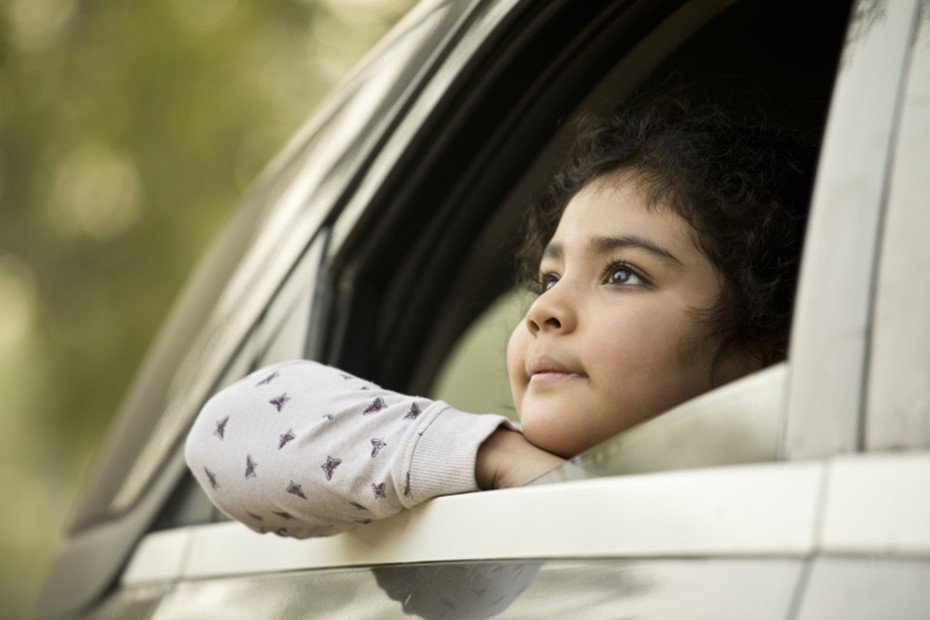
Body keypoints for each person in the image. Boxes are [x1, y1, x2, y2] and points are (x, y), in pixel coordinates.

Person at [185, 92, 813, 539]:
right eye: (549, 277)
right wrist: (494, 456)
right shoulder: (478, 466)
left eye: (622, 274)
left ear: (767, 346)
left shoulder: (793, 511)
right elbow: (225, 431)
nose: (544, 309)